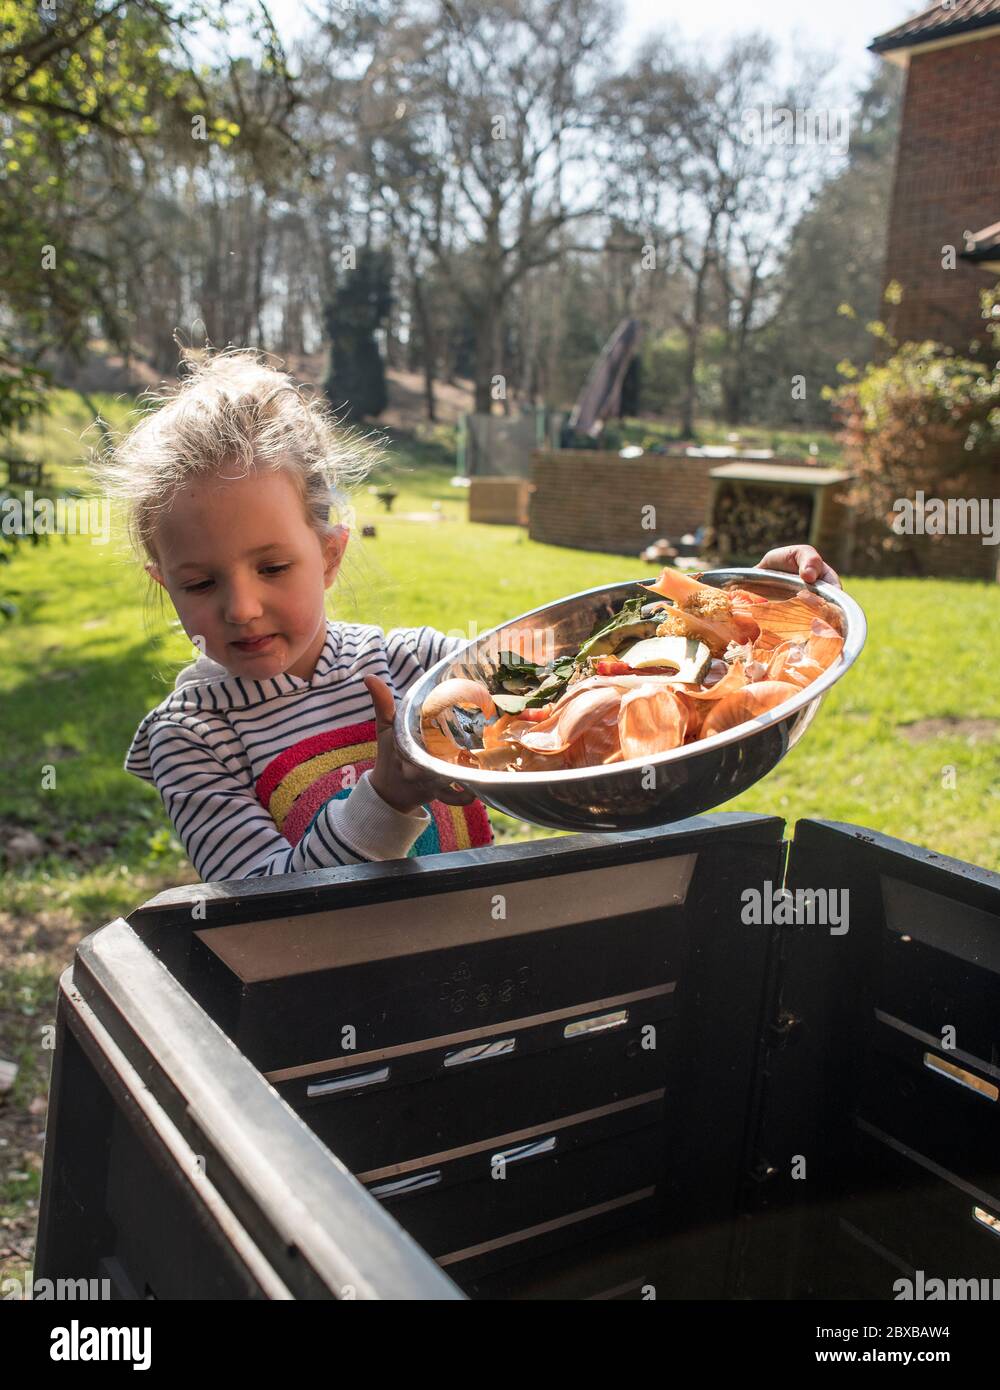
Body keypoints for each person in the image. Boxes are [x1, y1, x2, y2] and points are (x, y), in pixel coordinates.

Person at [99, 349, 841, 884]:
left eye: (272, 567)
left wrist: (742, 615)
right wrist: (386, 797)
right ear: (163, 585)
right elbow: (263, 907)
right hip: (329, 1065)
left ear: (327, 556)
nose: (242, 606)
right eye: (200, 582)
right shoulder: (193, 738)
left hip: (488, 1003)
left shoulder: (414, 668)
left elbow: (574, 685)